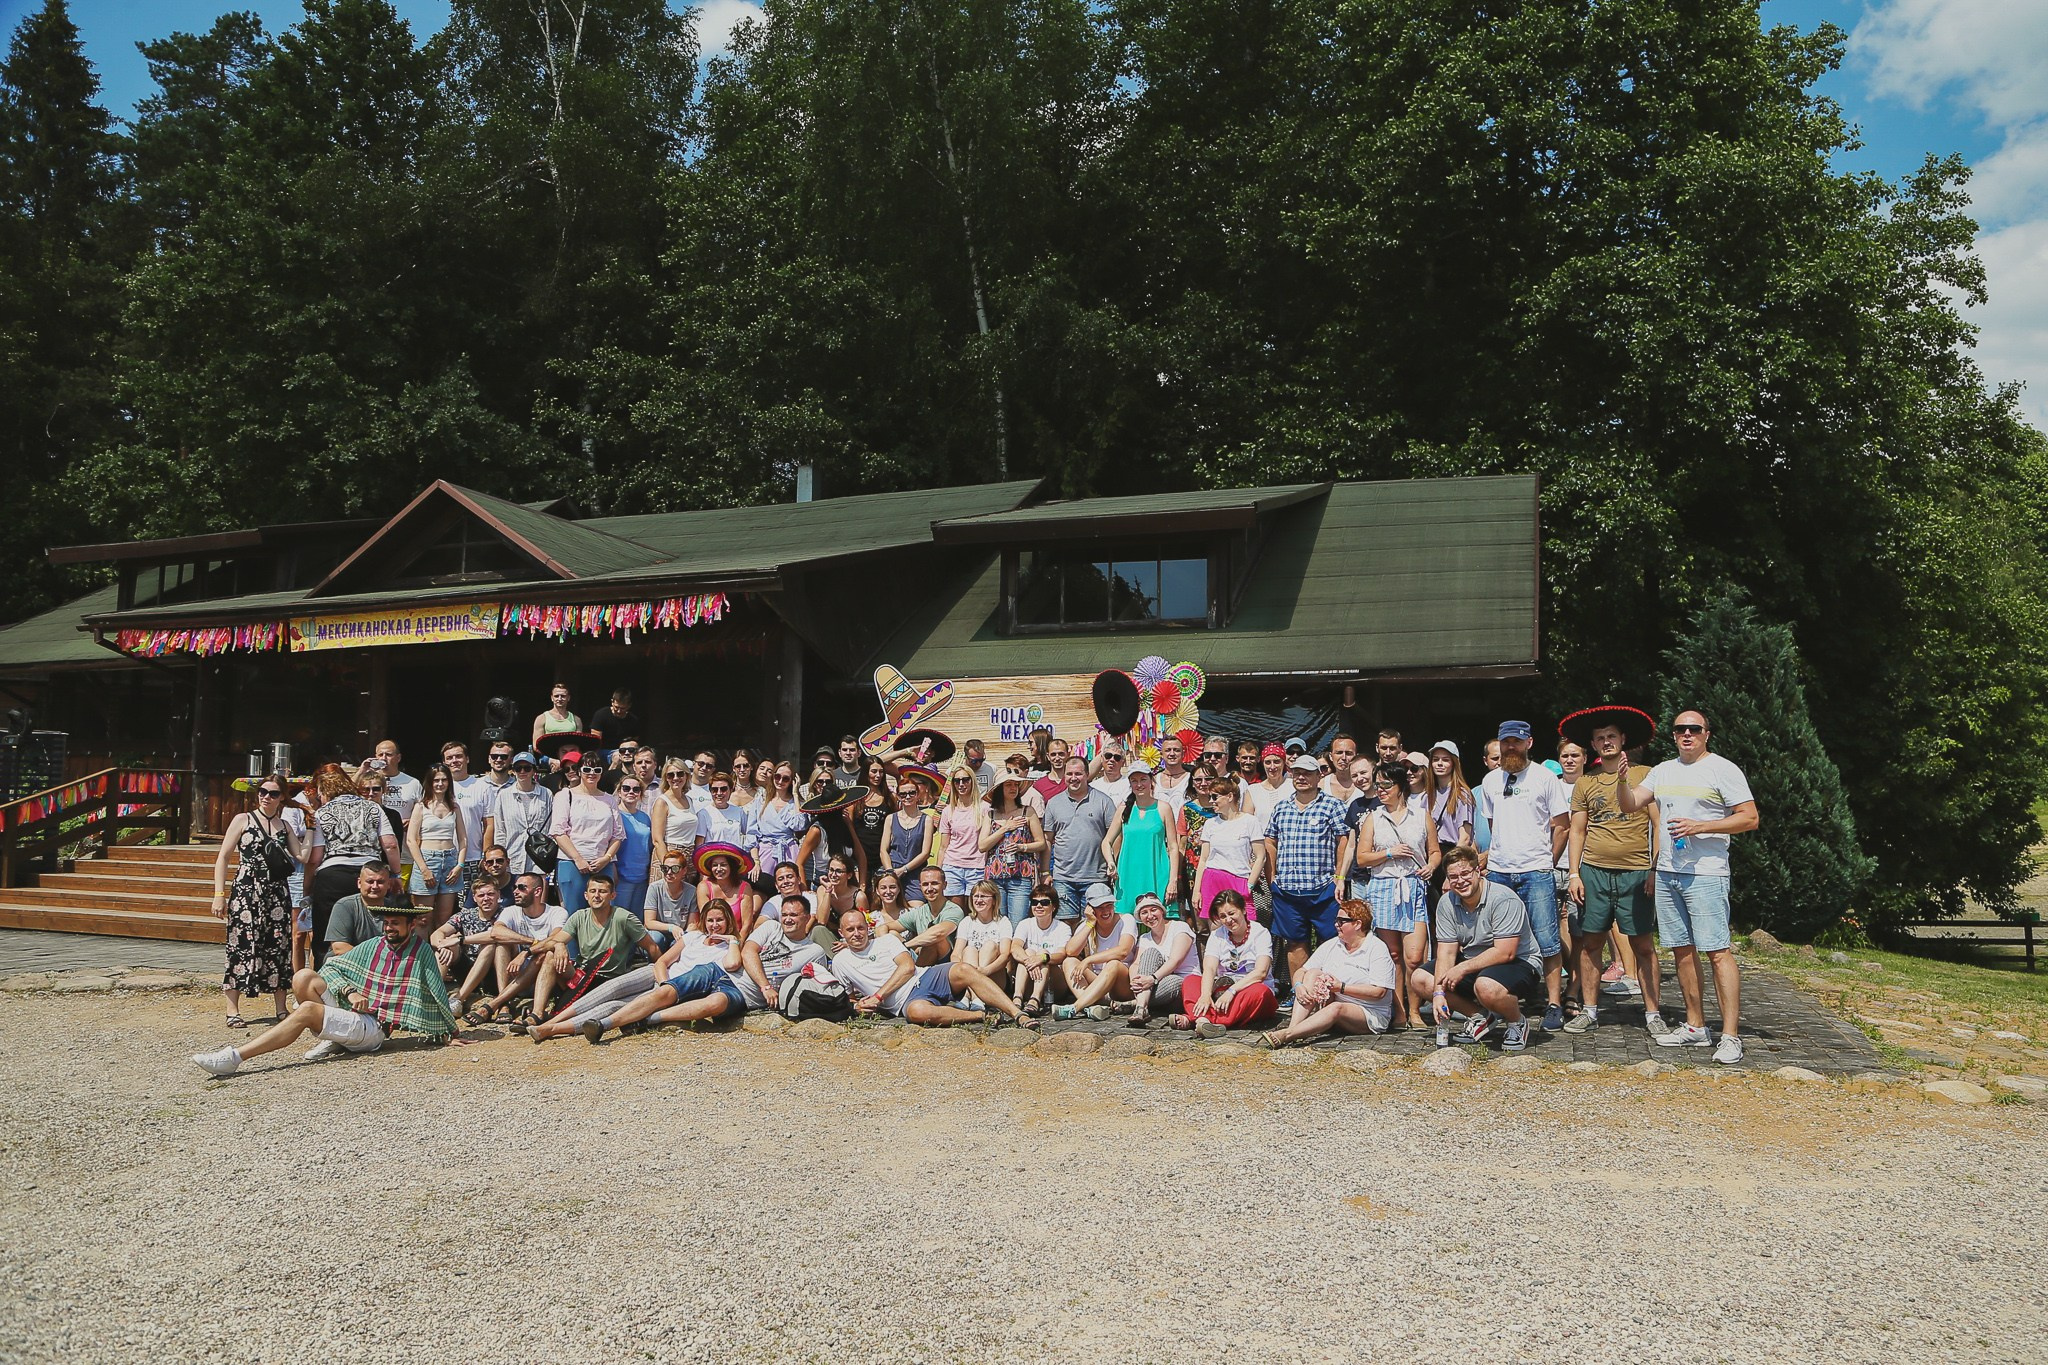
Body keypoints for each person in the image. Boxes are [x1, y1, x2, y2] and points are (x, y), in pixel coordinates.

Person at [1614, 709, 1759, 1064]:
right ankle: (1695, 1027)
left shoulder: (1723, 769)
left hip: (1706, 873)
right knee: (1681, 949)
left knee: (1717, 951)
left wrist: (1701, 826)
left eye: (1694, 729)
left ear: (1707, 733)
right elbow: (1632, 804)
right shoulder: (1663, 770)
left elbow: (1750, 818)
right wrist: (1620, 781)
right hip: (1667, 872)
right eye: (1680, 729)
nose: (1687, 734)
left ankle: (1730, 1036)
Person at [191, 898, 453, 1077]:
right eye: (386, 922)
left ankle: (234, 1058)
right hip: (355, 1014)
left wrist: (449, 1031)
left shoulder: (421, 953)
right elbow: (330, 966)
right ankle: (334, 1039)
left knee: (306, 1010)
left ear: (410, 923)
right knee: (304, 976)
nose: (389, 927)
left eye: (395, 923)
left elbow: (436, 993)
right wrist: (351, 991)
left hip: (375, 1029)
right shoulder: (374, 945)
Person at [1562, 707, 1662, 1036]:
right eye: (1600, 738)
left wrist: (1654, 869)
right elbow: (1577, 831)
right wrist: (1574, 874)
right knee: (1591, 943)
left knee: (1643, 945)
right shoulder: (1586, 782)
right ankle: (1590, 1011)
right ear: (1592, 744)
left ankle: (1653, 1014)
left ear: (1623, 740)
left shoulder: (1645, 774)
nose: (1606, 742)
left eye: (1612, 736)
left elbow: (1657, 824)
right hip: (1594, 871)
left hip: (1635, 871)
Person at [1475, 720, 1571, 1032]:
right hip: (1500, 872)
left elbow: (1562, 824)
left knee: (1547, 939)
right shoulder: (1490, 781)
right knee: (1501, 941)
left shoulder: (1545, 777)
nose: (1510, 748)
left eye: (1516, 742)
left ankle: (1554, 1002)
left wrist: (1548, 862)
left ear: (1529, 742)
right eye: (1506, 743)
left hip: (1536, 871)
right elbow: (1493, 825)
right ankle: (1507, 998)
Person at [1413, 846, 1542, 1051]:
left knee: (1486, 986)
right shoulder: (1447, 902)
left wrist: (1461, 969)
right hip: (1474, 961)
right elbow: (1446, 951)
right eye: (1453, 876)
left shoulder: (1503, 899)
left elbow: (1505, 951)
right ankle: (1480, 1016)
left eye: (1465, 873)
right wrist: (1438, 994)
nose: (1460, 881)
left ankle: (1516, 1022)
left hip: (1519, 961)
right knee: (1421, 979)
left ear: (1478, 871)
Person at [829, 907, 1037, 1028]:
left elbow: (908, 968)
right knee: (917, 1013)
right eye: (850, 929)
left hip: (924, 976)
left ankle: (1017, 1013)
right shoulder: (841, 962)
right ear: (841, 932)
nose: (856, 933)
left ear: (869, 928)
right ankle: (981, 1016)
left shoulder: (885, 941)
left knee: (963, 969)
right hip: (905, 1001)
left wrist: (878, 996)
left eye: (860, 928)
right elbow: (848, 998)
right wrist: (857, 1006)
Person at [209, 775, 306, 1029]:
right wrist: (219, 895)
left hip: (276, 892)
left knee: (278, 946)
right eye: (263, 792)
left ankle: (281, 1008)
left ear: (282, 797)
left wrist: (314, 826)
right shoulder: (243, 819)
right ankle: (232, 1009)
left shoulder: (285, 825)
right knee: (241, 945)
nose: (266, 797)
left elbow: (301, 855)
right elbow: (223, 857)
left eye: (273, 793)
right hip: (246, 891)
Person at [576, 898, 750, 1037]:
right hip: (663, 980)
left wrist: (733, 939)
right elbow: (662, 961)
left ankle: (586, 1027)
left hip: (682, 991)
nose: (714, 925)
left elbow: (733, 964)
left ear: (728, 920)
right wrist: (664, 985)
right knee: (612, 988)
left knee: (614, 1005)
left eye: (719, 920)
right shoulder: (694, 936)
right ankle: (554, 1019)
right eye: (710, 920)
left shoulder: (731, 946)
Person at [1353, 760, 1439, 1029]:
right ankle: (1399, 1012)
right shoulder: (1373, 818)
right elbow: (1362, 857)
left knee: (1415, 955)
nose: (1380, 790)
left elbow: (1435, 851)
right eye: (1378, 785)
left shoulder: (1421, 815)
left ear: (1400, 786)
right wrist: (1389, 853)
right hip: (1383, 887)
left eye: (1386, 785)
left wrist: (1431, 866)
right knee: (1392, 955)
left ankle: (1415, 1011)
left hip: (1412, 887)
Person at [1261, 754, 1354, 998]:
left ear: (1318, 776)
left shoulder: (1332, 805)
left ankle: (1328, 992)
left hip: (1323, 888)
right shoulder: (1281, 807)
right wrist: (1272, 877)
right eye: (1297, 772)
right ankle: (1299, 991)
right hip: (1288, 889)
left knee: (1333, 941)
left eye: (1308, 773)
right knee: (1295, 943)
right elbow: (1270, 840)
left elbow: (1343, 839)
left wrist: (1338, 875)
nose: (1301, 777)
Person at [523, 874, 652, 1041]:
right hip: (582, 976)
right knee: (550, 955)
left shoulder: (623, 918)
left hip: (608, 981)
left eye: (602, 891)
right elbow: (555, 940)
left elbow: (651, 946)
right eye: (593, 891)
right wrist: (556, 946)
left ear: (613, 895)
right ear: (586, 895)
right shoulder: (579, 916)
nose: (597, 895)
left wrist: (657, 972)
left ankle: (551, 1025)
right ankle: (537, 1013)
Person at [1261, 898, 1395, 1047]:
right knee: (1312, 973)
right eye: (1336, 920)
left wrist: (1341, 987)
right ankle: (1295, 1026)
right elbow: (1302, 971)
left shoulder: (1377, 948)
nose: (1336, 925)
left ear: (1357, 924)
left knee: (1336, 1008)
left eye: (1341, 921)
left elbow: (1379, 992)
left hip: (1369, 1012)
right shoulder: (1333, 944)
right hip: (1334, 1002)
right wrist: (1298, 985)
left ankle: (1288, 1034)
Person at [308, 767, 402, 964]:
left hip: (331, 875)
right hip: (367, 871)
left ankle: (322, 981)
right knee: (370, 927)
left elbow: (316, 857)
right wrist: (395, 874)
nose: (320, 799)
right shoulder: (373, 808)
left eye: (320, 795)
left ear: (326, 792)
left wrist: (308, 885)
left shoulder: (322, 812)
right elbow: (391, 844)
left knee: (326, 933)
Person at [456, 872, 569, 1023]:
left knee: (545, 954)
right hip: (514, 975)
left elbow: (555, 939)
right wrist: (531, 941)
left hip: (543, 977)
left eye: (521, 888)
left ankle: (494, 1004)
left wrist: (526, 953)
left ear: (537, 891)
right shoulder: (511, 911)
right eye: (515, 887)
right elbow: (496, 932)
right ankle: (504, 1005)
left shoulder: (556, 912)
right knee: (502, 944)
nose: (515, 891)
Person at [1173, 889, 1278, 1036]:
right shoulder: (1217, 935)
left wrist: (1232, 991)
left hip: (1247, 990)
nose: (1228, 920)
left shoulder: (1260, 933)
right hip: (1221, 991)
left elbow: (1260, 972)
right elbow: (1209, 968)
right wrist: (1205, 995)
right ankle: (1205, 1021)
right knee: (1191, 981)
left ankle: (1197, 1019)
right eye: (1223, 916)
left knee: (1261, 993)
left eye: (1232, 913)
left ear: (1243, 910)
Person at [1042, 756, 1118, 921]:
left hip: (1096, 877)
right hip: (1063, 878)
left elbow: (1115, 837)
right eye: (1069, 774)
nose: (1073, 778)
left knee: (1093, 926)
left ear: (1087, 774)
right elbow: (1047, 840)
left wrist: (1113, 864)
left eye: (1078, 773)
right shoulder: (1054, 803)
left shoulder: (1103, 801)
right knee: (1065, 925)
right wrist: (1045, 871)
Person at [1103, 759, 1180, 918]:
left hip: (1157, 873)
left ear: (1151, 781)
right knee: (1128, 922)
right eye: (1134, 781)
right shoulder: (1124, 809)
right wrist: (1111, 862)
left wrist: (1172, 881)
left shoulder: (1163, 808)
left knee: (1159, 920)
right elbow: (1106, 842)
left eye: (1143, 779)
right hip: (1127, 875)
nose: (1139, 784)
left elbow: (1173, 847)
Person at [550, 755, 623, 917]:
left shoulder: (610, 799)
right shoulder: (565, 795)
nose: (592, 773)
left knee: (603, 915)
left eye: (596, 770)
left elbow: (618, 835)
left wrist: (607, 858)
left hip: (603, 865)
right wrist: (578, 859)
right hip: (571, 863)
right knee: (574, 915)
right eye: (587, 769)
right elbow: (558, 831)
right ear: (580, 771)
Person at [1054, 882, 1139, 1019]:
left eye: (1109, 905)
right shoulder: (1088, 924)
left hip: (1121, 983)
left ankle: (1075, 1008)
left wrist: (1088, 960)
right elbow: (1070, 951)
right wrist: (1090, 923)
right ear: (1090, 909)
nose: (1106, 911)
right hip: (1098, 983)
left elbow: (1123, 951)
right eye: (1100, 907)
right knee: (1069, 962)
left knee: (1114, 963)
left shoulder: (1126, 920)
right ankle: (1090, 1007)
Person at [1190, 778, 1262, 927]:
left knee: (1245, 930)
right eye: (1210, 797)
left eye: (1215, 797)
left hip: (1239, 879)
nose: (1211, 801)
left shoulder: (1250, 821)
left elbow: (1261, 856)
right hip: (1212, 879)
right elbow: (1203, 859)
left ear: (1229, 796)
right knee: (1217, 931)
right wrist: (1197, 890)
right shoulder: (1210, 824)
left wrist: (1249, 886)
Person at [405, 764, 467, 929]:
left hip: (450, 861)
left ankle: (439, 952)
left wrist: (459, 865)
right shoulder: (421, 806)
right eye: (436, 780)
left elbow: (463, 839)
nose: (440, 784)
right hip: (427, 859)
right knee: (423, 919)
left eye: (444, 780)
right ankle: (422, 953)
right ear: (430, 782)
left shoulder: (454, 807)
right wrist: (424, 869)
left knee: (444, 919)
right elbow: (411, 840)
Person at [980, 767, 1045, 924]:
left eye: (1016, 784)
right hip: (995, 878)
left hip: (1020, 876)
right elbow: (982, 845)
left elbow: (1041, 843)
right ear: (999, 789)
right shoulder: (991, 815)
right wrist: (1005, 828)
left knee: (1018, 923)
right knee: (998, 924)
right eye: (1008, 784)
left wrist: (1022, 847)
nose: (1013, 788)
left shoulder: (1027, 812)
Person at [1126, 891, 1199, 1025]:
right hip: (1155, 986)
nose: (1150, 916)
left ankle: (1135, 1004)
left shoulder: (1180, 927)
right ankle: (1141, 1008)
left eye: (1153, 910)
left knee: (1175, 981)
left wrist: (1151, 979)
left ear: (1162, 911)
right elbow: (1135, 965)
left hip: (1184, 984)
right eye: (1144, 913)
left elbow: (1175, 961)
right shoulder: (1144, 938)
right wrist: (1135, 982)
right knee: (1150, 953)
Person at [432, 877, 504, 999]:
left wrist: (460, 940)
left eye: (491, 894)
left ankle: (459, 998)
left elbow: (495, 935)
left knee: (489, 946)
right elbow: (438, 932)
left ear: (498, 895)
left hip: (493, 971)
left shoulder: (506, 914)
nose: (486, 899)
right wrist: (443, 945)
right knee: (447, 947)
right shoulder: (466, 915)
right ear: (474, 898)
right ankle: (432, 994)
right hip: (467, 969)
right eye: (481, 895)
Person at [484, 751, 553, 879]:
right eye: (518, 768)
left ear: (534, 771)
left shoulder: (546, 794)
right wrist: (501, 858)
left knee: (539, 897)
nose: (522, 771)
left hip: (540, 858)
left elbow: (550, 828)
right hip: (513, 856)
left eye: (527, 768)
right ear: (513, 771)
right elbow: (500, 831)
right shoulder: (503, 795)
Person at [934, 763, 991, 902]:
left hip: (977, 867)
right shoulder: (948, 810)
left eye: (965, 780)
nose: (961, 784)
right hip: (952, 865)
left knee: (975, 911)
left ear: (972, 781)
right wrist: (937, 872)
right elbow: (943, 847)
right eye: (957, 780)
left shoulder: (985, 808)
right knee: (956, 912)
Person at [1008, 885, 1068, 1015]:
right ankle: (1017, 997)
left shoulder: (1063, 928)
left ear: (1054, 906)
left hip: (1055, 984)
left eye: (1045, 902)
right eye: (1035, 902)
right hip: (1030, 978)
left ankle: (1035, 999)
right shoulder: (1025, 924)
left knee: (1043, 953)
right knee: (1028, 952)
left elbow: (1061, 955)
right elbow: (1015, 947)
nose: (1039, 906)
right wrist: (1030, 961)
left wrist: (1041, 959)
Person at [324, 862, 401, 960]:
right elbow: (339, 947)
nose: (375, 886)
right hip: (347, 962)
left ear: (388, 884)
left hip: (386, 965)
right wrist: (375, 961)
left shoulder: (396, 909)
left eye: (380, 882)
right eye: (370, 881)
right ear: (359, 883)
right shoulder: (345, 906)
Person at [881, 770, 937, 902]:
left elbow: (925, 853)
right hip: (892, 870)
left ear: (918, 795)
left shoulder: (927, 820)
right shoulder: (891, 818)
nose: (907, 796)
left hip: (915, 872)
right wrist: (890, 871)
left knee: (915, 909)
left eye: (912, 793)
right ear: (898, 796)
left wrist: (904, 869)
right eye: (903, 794)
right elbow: (883, 850)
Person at [950, 881, 1015, 995]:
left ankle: (971, 996)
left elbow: (1005, 955)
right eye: (976, 896)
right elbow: (956, 954)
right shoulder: (967, 921)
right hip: (969, 976)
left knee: (990, 945)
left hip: (994, 975)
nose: (979, 900)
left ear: (994, 900)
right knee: (969, 950)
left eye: (984, 896)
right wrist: (965, 971)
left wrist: (984, 971)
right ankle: (976, 997)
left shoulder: (1003, 922)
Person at [649, 757, 702, 875]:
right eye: (670, 775)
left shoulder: (689, 800)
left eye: (680, 774)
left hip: (689, 856)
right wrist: (668, 866)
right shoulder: (662, 802)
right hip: (669, 855)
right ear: (665, 778)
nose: (676, 778)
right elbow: (657, 840)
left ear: (687, 775)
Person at [846, 756, 893, 886]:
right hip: (858, 857)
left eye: (881, 771)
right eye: (874, 771)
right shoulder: (855, 798)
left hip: (881, 858)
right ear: (866, 772)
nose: (878, 775)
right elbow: (848, 826)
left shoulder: (889, 798)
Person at [612, 773, 654, 914]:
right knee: (619, 919)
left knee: (637, 922)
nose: (631, 792)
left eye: (636, 789)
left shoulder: (645, 818)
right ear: (619, 792)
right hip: (621, 877)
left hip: (642, 877)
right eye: (626, 788)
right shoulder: (613, 815)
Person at [696, 844, 761, 934]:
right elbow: (706, 920)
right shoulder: (704, 887)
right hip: (712, 936)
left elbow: (747, 924)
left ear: (731, 867)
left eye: (723, 865)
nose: (718, 869)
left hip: (736, 937)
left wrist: (738, 944)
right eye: (715, 865)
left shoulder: (745, 887)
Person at [645, 851, 699, 947]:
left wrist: (684, 936)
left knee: (686, 941)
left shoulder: (692, 891)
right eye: (665, 868)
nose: (669, 873)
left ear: (684, 871)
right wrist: (671, 928)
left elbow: (692, 924)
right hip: (659, 932)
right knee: (655, 939)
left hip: (680, 934)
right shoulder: (654, 888)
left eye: (675, 869)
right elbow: (649, 922)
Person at [698, 770, 754, 847]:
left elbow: (750, 834)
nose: (719, 793)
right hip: (713, 856)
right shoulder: (703, 813)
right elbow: (699, 844)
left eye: (723, 789)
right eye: (714, 790)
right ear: (710, 791)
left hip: (735, 856)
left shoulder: (739, 811)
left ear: (730, 790)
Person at [374, 739, 422, 825]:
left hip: (403, 834)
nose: (383, 758)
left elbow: (424, 810)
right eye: (380, 755)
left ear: (398, 758)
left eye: (388, 755)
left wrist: (412, 822)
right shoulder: (369, 781)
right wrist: (361, 771)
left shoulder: (413, 783)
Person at [588, 689, 642, 761]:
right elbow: (595, 741)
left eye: (622, 708)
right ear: (612, 702)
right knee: (617, 757)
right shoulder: (601, 715)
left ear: (629, 706)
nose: (619, 711)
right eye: (616, 707)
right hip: (604, 751)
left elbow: (635, 742)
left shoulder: (633, 720)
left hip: (624, 750)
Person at [532, 682, 581, 759]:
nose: (559, 699)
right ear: (552, 698)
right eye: (556, 696)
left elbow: (578, 744)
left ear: (568, 698)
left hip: (570, 756)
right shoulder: (541, 718)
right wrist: (553, 758)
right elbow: (536, 746)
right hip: (547, 757)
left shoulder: (576, 720)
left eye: (563, 696)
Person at [1243, 743, 1289, 822]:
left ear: (1284, 762)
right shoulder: (1253, 790)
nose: (1272, 767)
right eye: (1268, 762)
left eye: (1276, 762)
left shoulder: (1293, 786)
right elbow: (1246, 822)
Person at [1153, 736, 1193, 809]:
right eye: (1168, 750)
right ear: (1161, 754)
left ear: (1183, 753)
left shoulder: (1192, 779)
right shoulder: (1154, 780)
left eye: (1176, 750)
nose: (1172, 754)